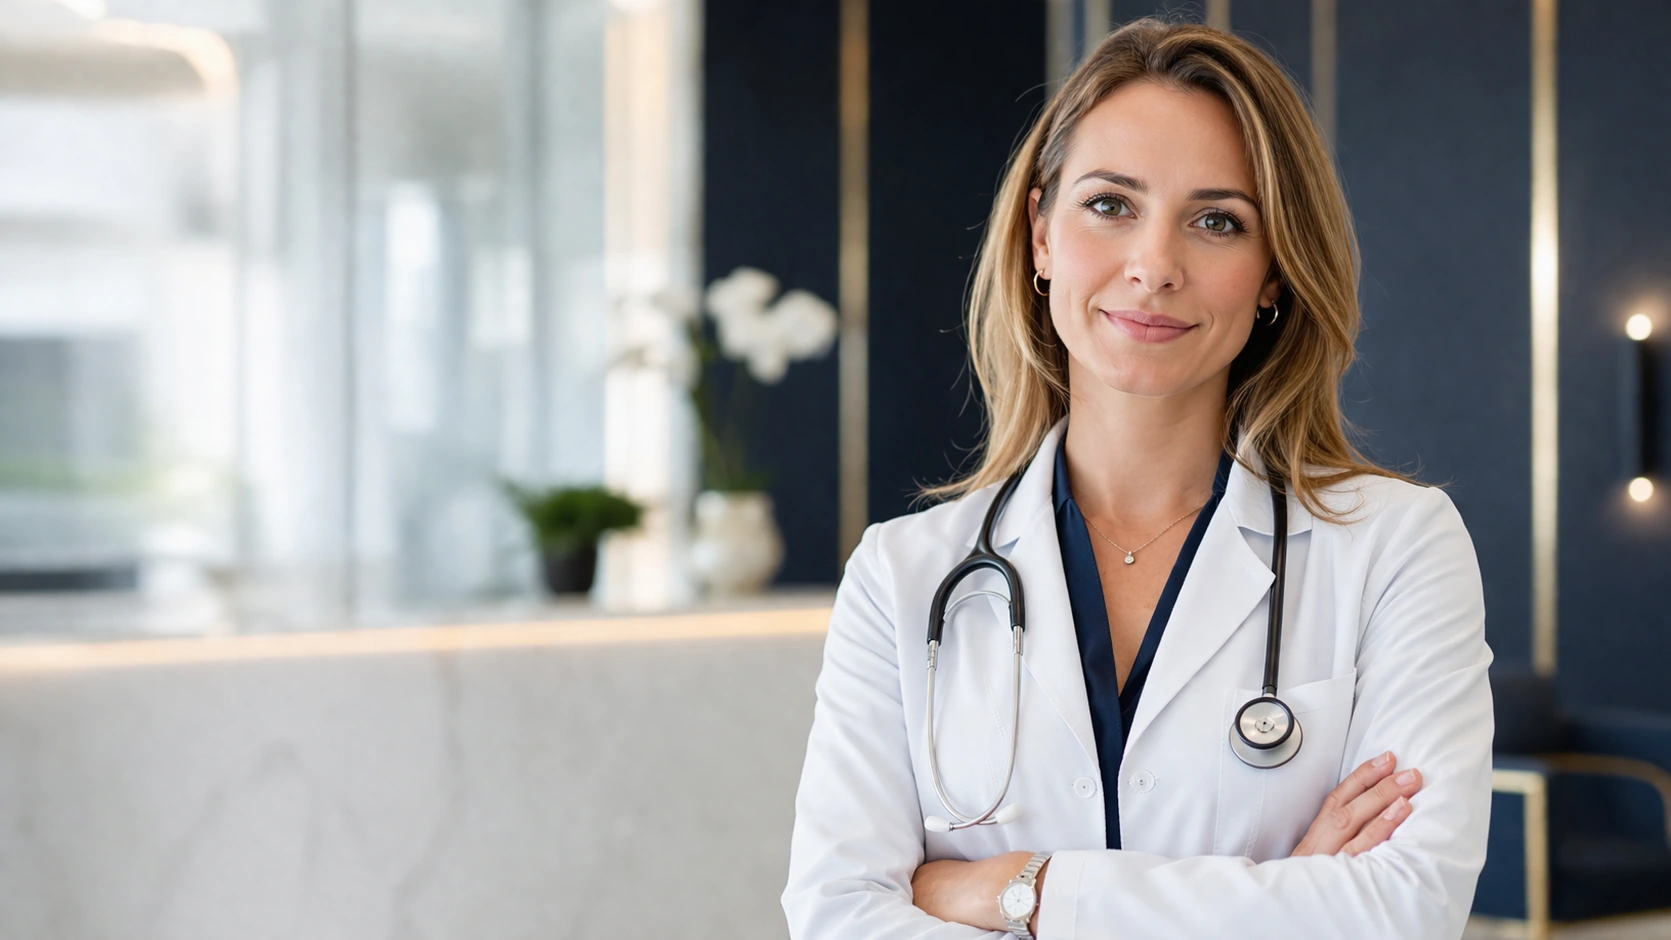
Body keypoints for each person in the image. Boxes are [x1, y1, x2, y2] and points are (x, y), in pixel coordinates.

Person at [781, 17, 1493, 940]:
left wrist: (1025, 892)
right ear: (1039, 235)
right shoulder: (901, 576)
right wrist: (1278, 895)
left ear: (1273, 271)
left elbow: (1402, 908)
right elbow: (839, 917)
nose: (1154, 266)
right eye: (1110, 205)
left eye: (1215, 221)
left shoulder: (1395, 546)